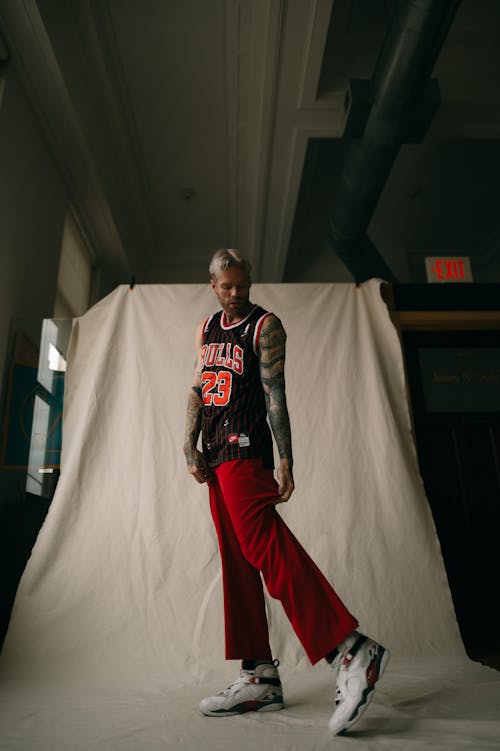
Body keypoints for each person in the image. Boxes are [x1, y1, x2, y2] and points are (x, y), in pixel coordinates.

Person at [183, 248, 389, 735]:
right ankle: (259, 674)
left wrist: (286, 458)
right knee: (237, 558)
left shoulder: (266, 326)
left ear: (250, 281)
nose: (236, 293)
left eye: (242, 284)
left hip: (247, 448)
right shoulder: (206, 328)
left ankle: (353, 649)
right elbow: (197, 385)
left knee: (264, 546)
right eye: (227, 286)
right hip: (214, 453)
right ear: (212, 285)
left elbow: (276, 393)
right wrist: (187, 442)